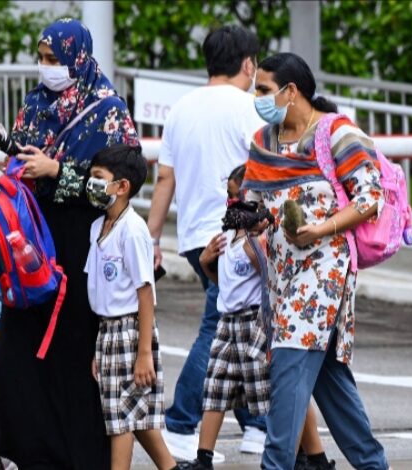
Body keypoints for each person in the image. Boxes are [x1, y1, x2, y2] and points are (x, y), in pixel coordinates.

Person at [0, 18, 138, 470]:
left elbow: (122, 181)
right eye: (41, 59)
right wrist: (16, 153)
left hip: (80, 244)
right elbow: (21, 163)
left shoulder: (108, 110)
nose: (46, 68)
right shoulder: (35, 106)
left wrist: (58, 172)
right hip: (33, 239)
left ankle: (79, 456)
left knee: (74, 352)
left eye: (54, 60)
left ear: (77, 57)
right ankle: (32, 453)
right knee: (21, 349)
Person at [243, 52, 389, 470]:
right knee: (331, 385)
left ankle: (275, 466)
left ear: (292, 91)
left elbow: (369, 197)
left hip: (323, 274)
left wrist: (320, 229)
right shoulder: (262, 141)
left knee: (287, 371)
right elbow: (249, 205)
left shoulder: (336, 133)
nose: (258, 98)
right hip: (281, 275)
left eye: (265, 90)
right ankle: (374, 465)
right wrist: (244, 226)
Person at [146, 25, 268, 459]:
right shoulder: (249, 108)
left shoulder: (181, 107)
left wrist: (153, 236)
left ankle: (256, 426)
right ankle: (181, 423)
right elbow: (263, 171)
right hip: (233, 236)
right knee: (221, 328)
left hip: (195, 237)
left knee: (238, 326)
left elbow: (165, 178)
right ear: (248, 64)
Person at [183, 166, 334, 470]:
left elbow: (274, 278)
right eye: (231, 196)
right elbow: (222, 283)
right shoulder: (227, 236)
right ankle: (204, 458)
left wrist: (258, 250)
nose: (234, 203)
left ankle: (312, 456)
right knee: (215, 387)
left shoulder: (262, 237)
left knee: (279, 391)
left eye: (241, 197)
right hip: (228, 321)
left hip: (255, 322)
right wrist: (206, 262)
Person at [84, 145, 178, 470]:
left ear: (122, 186)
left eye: (99, 178)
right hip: (108, 331)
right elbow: (101, 290)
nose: (91, 184)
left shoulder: (132, 230)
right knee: (132, 414)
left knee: (121, 419)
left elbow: (145, 291)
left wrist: (144, 353)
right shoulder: (98, 228)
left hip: (130, 330)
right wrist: (100, 347)